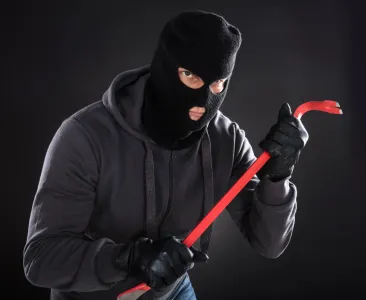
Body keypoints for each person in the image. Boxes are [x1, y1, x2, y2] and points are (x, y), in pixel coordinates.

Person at [23, 10, 309, 300]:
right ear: (164, 68)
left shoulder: (226, 139)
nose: (204, 101)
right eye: (191, 76)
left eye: (217, 83)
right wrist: (130, 258)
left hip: (172, 294)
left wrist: (277, 178)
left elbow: (269, 244)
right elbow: (40, 260)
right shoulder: (84, 136)